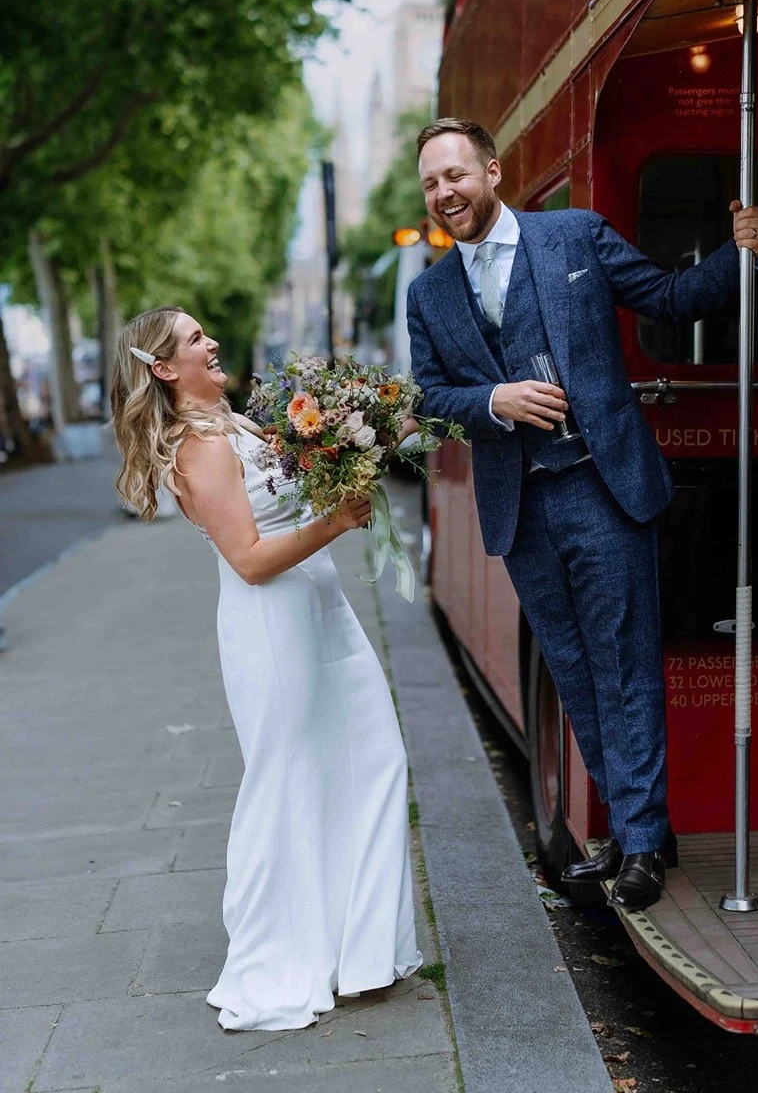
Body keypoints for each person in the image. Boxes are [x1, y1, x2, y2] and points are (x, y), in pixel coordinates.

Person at [407, 118, 758, 912]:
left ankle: (638, 843)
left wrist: (740, 254)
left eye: (455, 176)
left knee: (624, 665)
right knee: (574, 674)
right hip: (521, 509)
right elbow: (429, 399)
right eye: (431, 183)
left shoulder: (572, 236)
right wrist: (492, 400)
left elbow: (669, 300)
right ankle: (640, 827)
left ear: (492, 172)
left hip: (600, 487)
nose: (444, 194)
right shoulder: (428, 292)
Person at [111, 307, 422, 1030]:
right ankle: (279, 955)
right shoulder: (198, 447)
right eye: (193, 340)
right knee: (285, 785)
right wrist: (335, 523)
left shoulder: (237, 424)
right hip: (273, 627)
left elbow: (308, 469)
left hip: (321, 611)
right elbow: (249, 562)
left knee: (373, 759)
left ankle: (362, 950)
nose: (211, 342)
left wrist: (379, 425)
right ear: (164, 369)